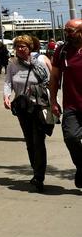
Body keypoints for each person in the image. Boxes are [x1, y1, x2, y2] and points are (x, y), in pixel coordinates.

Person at [3, 35, 50, 192]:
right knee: (29, 141)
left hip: (38, 106)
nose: (20, 49)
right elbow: (8, 82)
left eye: (23, 46)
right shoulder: (13, 64)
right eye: (17, 46)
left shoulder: (40, 62)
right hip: (22, 107)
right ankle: (35, 170)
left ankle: (39, 176)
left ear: (30, 48)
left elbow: (48, 82)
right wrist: (6, 96)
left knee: (38, 140)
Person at [50, 19, 82, 189]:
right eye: (66, 31)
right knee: (71, 137)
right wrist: (53, 101)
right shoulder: (61, 51)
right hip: (71, 105)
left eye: (71, 31)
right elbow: (54, 77)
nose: (67, 34)